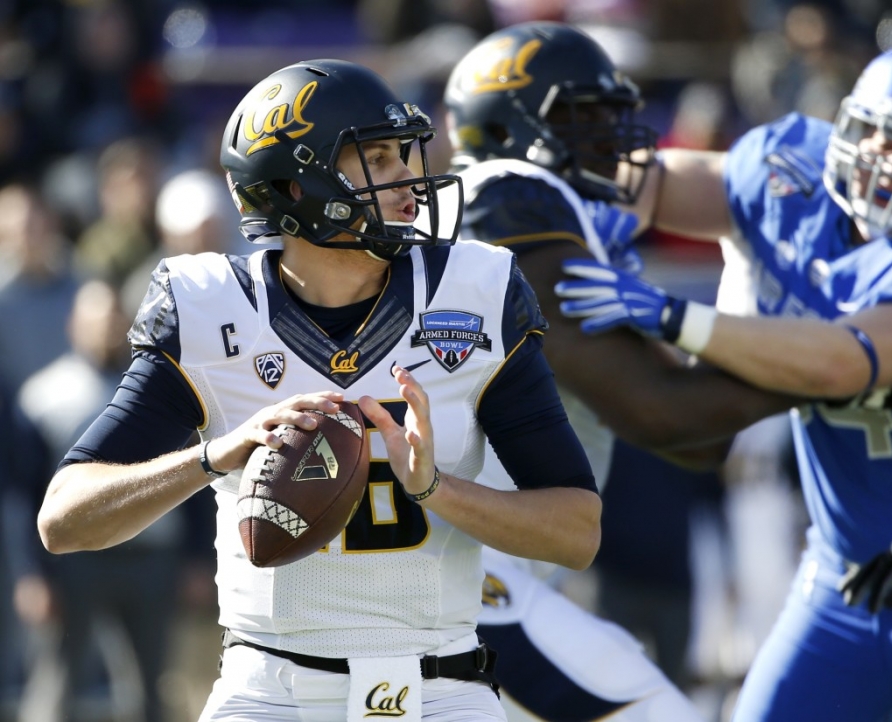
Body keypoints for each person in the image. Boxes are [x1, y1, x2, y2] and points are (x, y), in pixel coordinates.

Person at [36, 58, 602, 722]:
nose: (409, 181)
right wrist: (215, 456)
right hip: (271, 691)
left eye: (405, 154)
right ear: (297, 183)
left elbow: (577, 532)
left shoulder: (475, 293)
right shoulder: (210, 307)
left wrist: (435, 488)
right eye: (379, 158)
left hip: (442, 689)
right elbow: (63, 519)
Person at [555, 41, 892, 720]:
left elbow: (844, 359)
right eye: (882, 136)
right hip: (848, 584)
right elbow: (663, 183)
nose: (891, 162)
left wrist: (671, 314)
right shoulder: (792, 173)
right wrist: (581, 210)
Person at [437, 21, 798, 721]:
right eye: (584, 117)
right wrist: (842, 361)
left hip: (461, 567)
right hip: (449, 572)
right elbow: (661, 409)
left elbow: (695, 442)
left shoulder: (544, 223)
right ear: (505, 129)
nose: (615, 137)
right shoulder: (507, 198)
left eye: (615, 115)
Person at [12, 279, 187, 722]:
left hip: (151, 555)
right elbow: (26, 495)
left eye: (115, 319)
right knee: (59, 679)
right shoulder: (44, 396)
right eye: (97, 318)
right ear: (74, 325)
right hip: (75, 561)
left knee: (152, 684)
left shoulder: (158, 393)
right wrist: (31, 573)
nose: (107, 328)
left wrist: (196, 557)